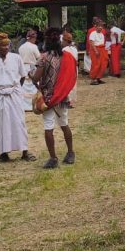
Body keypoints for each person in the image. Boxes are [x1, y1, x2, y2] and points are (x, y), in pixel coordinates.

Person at [0, 32, 34, 163]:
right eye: (3, 45)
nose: (6, 47)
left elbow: (22, 76)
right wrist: (4, 89)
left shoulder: (16, 58)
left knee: (19, 122)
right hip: (0, 95)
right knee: (1, 124)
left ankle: (25, 151)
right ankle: (3, 153)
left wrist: (15, 89)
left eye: (7, 45)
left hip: (15, 94)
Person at [33, 29, 77, 168]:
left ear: (46, 41)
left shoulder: (44, 58)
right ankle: (70, 153)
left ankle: (53, 159)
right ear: (59, 41)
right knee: (64, 124)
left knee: (48, 127)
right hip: (62, 96)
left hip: (48, 98)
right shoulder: (67, 57)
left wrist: (31, 76)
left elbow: (36, 77)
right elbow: (72, 75)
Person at [87, 18, 108, 85]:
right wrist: (96, 50)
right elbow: (91, 43)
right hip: (95, 50)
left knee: (103, 64)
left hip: (102, 50)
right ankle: (93, 79)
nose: (101, 27)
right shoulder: (93, 33)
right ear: (96, 26)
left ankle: (98, 78)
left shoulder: (102, 34)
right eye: (99, 26)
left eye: (102, 26)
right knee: (96, 64)